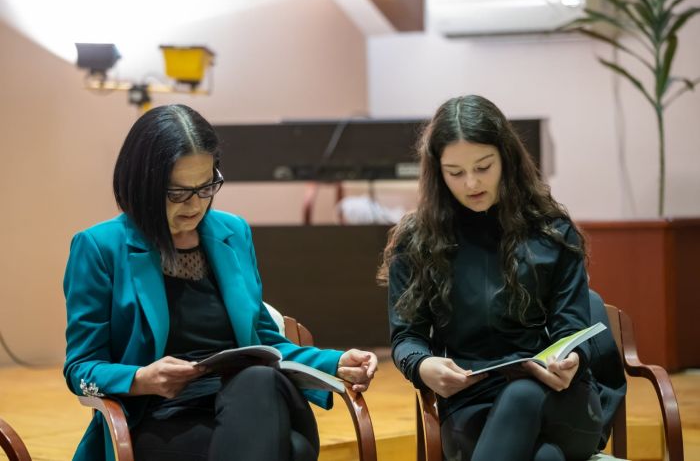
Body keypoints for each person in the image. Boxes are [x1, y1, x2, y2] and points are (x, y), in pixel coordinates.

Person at [63, 104, 378, 461]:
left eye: (206, 186)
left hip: (254, 401)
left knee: (258, 380)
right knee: (293, 449)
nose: (195, 205)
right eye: (177, 193)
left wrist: (336, 362)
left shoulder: (233, 232)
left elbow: (267, 343)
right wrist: (141, 378)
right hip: (159, 415)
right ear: (142, 184)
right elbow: (80, 368)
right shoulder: (99, 247)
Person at [378, 95, 606, 461]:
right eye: (455, 173)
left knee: (523, 393)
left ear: (506, 159)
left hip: (559, 397)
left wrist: (572, 359)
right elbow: (407, 336)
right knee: (545, 458)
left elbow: (572, 328)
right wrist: (422, 365)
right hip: (472, 403)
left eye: (483, 167)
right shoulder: (417, 241)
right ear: (438, 173)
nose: (471, 183)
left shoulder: (551, 231)